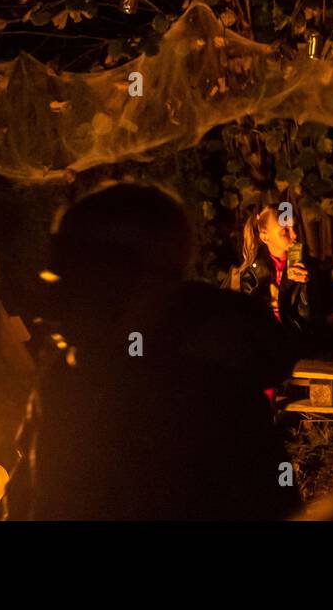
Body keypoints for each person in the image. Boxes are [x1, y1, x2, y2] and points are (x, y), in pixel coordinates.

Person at [16, 183, 298, 520]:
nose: (56, 298)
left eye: (77, 274)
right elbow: (32, 500)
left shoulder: (209, 399)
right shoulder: (72, 373)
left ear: (146, 285)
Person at [238, 202, 330, 347]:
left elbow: (313, 320)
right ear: (265, 237)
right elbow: (250, 318)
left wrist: (306, 285)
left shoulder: (307, 266)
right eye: (285, 231)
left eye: (295, 227)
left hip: (299, 340)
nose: (294, 235)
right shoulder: (253, 272)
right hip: (266, 342)